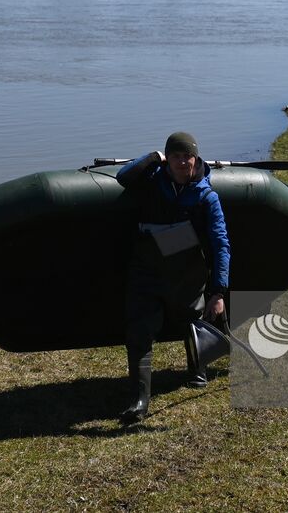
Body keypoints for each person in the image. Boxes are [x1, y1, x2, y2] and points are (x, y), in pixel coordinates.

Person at [114, 131, 230, 425]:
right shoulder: (153, 179)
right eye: (176, 156)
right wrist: (154, 156)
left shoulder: (206, 197)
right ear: (168, 160)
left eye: (187, 156)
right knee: (139, 328)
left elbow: (220, 243)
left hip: (185, 269)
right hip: (147, 266)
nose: (182, 162)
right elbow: (124, 176)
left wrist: (218, 292)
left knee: (192, 318)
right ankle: (139, 400)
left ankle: (197, 369)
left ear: (195, 158)